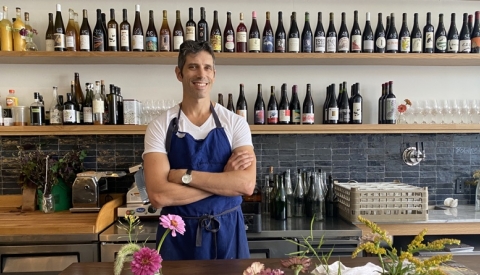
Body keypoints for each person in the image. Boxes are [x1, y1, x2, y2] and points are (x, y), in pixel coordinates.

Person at [143, 40, 256, 260]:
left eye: (207, 67)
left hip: (228, 234)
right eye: (193, 66)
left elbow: (245, 184)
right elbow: (158, 195)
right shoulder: (160, 126)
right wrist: (224, 181)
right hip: (177, 237)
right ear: (179, 73)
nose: (201, 74)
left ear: (214, 73)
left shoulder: (235, 123)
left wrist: (184, 177)